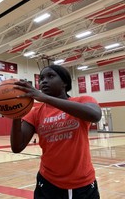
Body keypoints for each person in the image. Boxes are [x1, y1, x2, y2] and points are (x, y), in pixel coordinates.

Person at [11, 64, 101, 199]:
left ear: (64, 82)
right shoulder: (35, 113)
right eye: (41, 78)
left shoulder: (82, 101)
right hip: (48, 183)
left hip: (83, 184)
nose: (43, 81)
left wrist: (44, 98)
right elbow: (17, 147)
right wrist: (15, 115)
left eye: (50, 76)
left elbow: (95, 115)